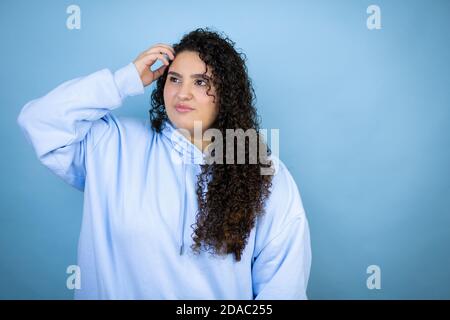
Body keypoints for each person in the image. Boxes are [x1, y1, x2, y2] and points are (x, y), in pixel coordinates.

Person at [17, 28, 311, 299]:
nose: (182, 93)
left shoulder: (260, 171)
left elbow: (283, 287)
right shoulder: (112, 143)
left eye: (201, 82)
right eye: (174, 78)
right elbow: (38, 121)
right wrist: (124, 80)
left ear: (226, 94)